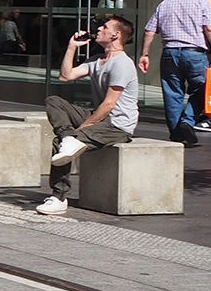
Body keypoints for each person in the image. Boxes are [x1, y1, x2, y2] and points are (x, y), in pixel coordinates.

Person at [39, 17, 139, 215]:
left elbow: (109, 104)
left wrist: (84, 127)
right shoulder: (97, 60)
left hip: (117, 126)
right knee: (54, 101)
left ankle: (59, 197)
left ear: (115, 35)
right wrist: (71, 47)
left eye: (104, 27)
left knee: (60, 143)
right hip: (99, 117)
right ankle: (68, 137)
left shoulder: (122, 64)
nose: (98, 29)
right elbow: (65, 76)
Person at [137, 0, 211, 146]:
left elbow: (149, 31)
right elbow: (210, 29)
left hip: (169, 53)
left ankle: (176, 133)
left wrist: (144, 54)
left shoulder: (164, 4)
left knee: (172, 93)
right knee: (202, 89)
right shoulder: (201, 2)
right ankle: (188, 121)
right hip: (194, 53)